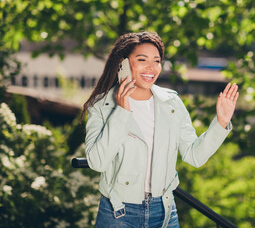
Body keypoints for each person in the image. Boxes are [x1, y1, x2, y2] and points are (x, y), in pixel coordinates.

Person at [82, 31, 239, 228]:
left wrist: (221, 123)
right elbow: (97, 162)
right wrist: (122, 110)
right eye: (142, 59)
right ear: (123, 64)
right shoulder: (101, 106)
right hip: (118, 212)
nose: (151, 67)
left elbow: (194, 156)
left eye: (157, 61)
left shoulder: (171, 102)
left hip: (165, 211)